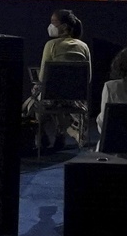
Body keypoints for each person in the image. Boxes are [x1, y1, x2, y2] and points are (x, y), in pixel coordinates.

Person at [28, 8, 92, 148]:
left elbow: (43, 76)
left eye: (53, 22)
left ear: (63, 27)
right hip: (76, 101)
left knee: (34, 98)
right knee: (57, 97)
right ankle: (61, 133)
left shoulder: (51, 45)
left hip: (50, 99)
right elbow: (88, 77)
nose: (50, 26)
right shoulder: (84, 47)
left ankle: (41, 135)